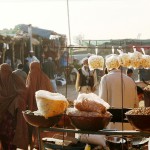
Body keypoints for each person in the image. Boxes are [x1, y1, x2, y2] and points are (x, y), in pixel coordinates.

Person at [99, 65, 138, 130]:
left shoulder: (105, 78)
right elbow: (136, 104)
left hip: (111, 127)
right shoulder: (130, 80)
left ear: (108, 67)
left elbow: (102, 103)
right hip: (128, 126)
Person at [0, 63, 28, 150]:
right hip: (4, 118)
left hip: (12, 118)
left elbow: (23, 93)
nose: (3, 74)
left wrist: (17, 101)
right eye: (2, 71)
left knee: (11, 138)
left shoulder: (15, 80)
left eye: (5, 71)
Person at [26, 61, 54, 149]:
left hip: (33, 110)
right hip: (43, 109)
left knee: (33, 127)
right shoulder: (45, 78)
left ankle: (34, 145)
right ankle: (40, 145)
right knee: (41, 128)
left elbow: (26, 94)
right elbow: (51, 93)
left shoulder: (30, 77)